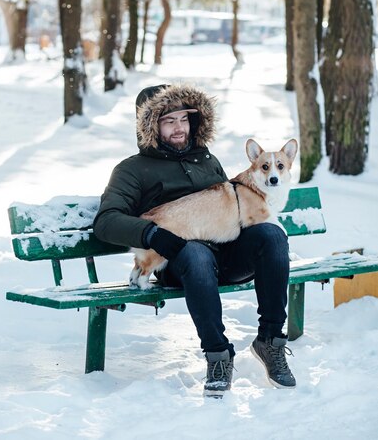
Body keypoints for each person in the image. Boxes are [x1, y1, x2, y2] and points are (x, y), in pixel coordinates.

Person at [93, 83, 295, 397]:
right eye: (168, 120)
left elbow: (231, 206)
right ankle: (218, 356)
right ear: (150, 125)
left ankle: (270, 341)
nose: (179, 127)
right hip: (178, 259)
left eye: (183, 119)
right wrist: (152, 235)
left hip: (224, 254)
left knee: (271, 235)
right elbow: (106, 222)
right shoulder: (132, 170)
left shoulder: (207, 160)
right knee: (196, 254)